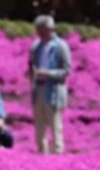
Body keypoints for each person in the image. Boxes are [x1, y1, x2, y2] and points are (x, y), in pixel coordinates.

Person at [27, 15, 71, 154]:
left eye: (40, 30)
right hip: (38, 89)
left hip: (53, 91)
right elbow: (32, 64)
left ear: (48, 29)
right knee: (39, 127)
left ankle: (58, 156)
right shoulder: (36, 46)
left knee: (55, 126)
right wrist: (31, 73)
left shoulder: (60, 46)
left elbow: (66, 70)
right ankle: (42, 156)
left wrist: (47, 73)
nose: (38, 33)